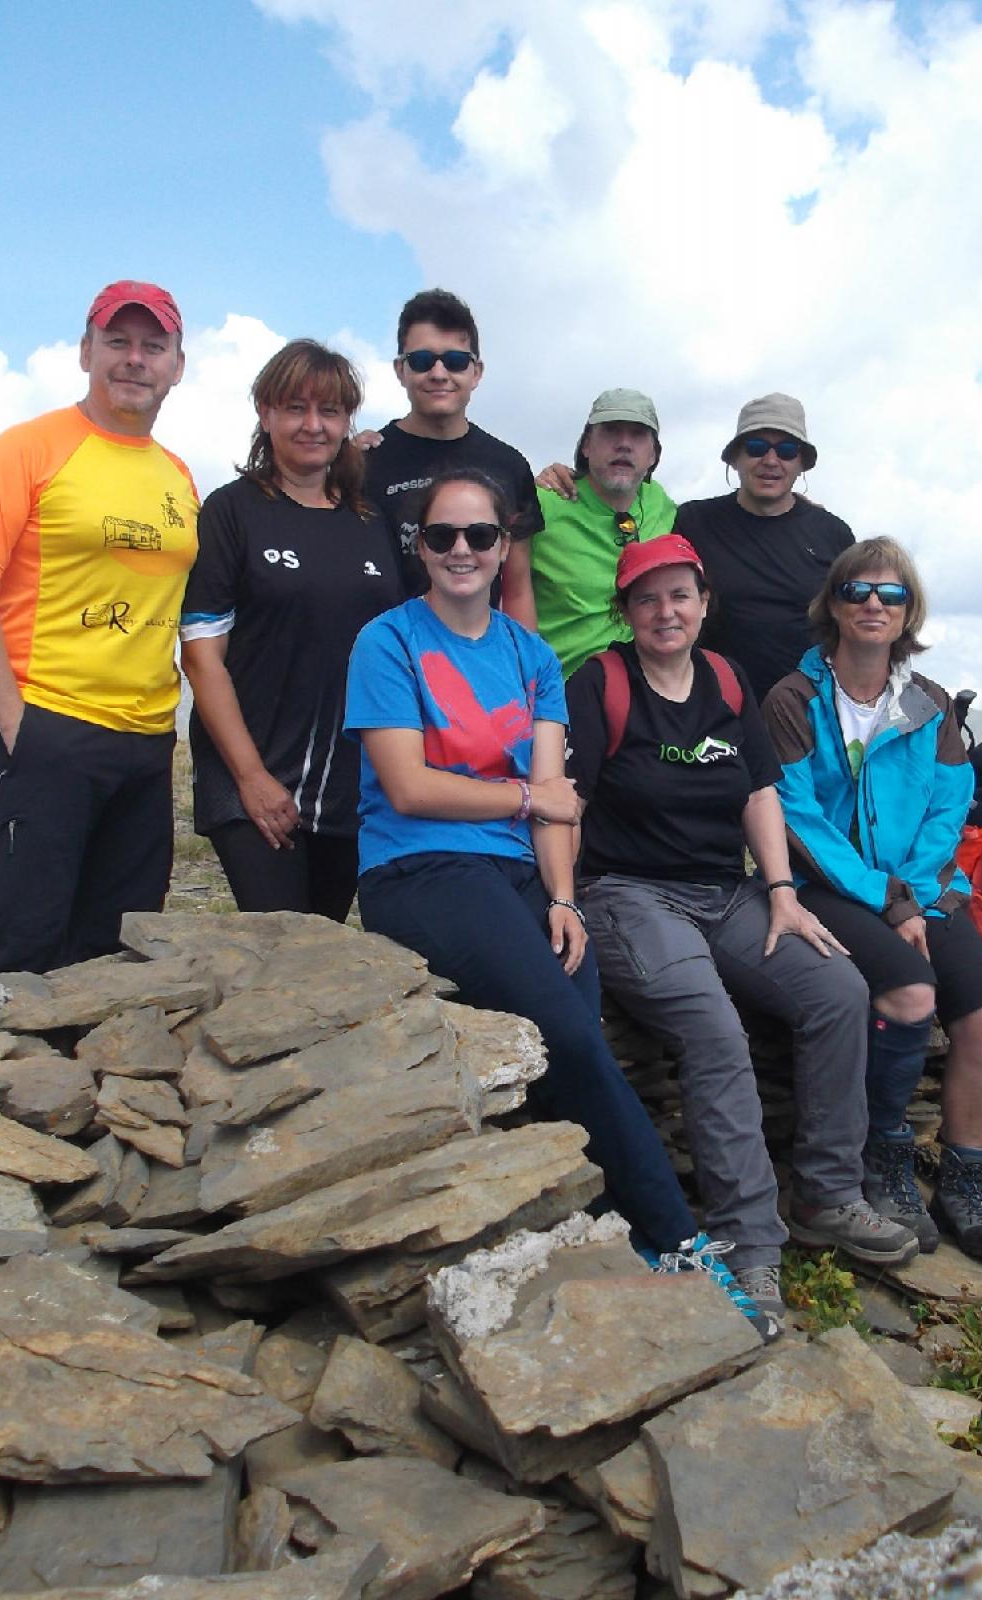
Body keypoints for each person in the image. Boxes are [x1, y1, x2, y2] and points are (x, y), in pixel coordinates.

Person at [344, 467, 768, 1333]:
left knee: (577, 1043)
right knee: (567, 1033)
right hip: (420, 869)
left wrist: (566, 898)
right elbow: (409, 785)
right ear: (419, 548)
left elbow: (553, 789)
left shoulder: (531, 655)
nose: (461, 550)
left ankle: (590, 1233)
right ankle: (678, 1239)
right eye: (441, 536)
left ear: (505, 548)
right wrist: (526, 803)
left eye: (479, 536)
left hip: (522, 874)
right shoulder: (385, 642)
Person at [566, 534, 917, 1329]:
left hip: (727, 891)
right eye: (647, 598)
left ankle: (828, 1195)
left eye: (680, 595)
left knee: (837, 991)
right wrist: (558, 898)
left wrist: (784, 893)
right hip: (628, 894)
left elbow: (759, 790)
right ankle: (750, 1246)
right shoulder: (599, 684)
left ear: (702, 603)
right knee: (714, 1031)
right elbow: (567, 797)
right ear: (625, 611)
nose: (666, 611)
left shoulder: (725, 680)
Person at [760, 538, 982, 1264]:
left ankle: (965, 1179)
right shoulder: (794, 699)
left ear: (908, 612)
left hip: (924, 888)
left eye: (891, 594)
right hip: (828, 887)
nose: (873, 604)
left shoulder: (927, 704)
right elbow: (796, 816)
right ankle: (886, 1156)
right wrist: (885, 897)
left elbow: (949, 805)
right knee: (908, 998)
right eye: (857, 590)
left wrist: (913, 892)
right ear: (833, 605)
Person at [0, 280, 198, 978]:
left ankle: (89, 1086)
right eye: (117, 342)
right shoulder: (25, 450)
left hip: (145, 740)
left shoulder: (177, 477)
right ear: (85, 351)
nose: (134, 360)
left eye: (153, 346)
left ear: (177, 363)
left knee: (114, 950)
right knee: (26, 942)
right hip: (47, 722)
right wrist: (16, 722)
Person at [180, 340, 402, 920]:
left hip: (348, 786)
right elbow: (203, 657)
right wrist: (250, 777)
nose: (313, 425)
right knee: (279, 942)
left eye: (329, 411)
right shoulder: (232, 511)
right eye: (295, 408)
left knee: (319, 950)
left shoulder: (370, 522)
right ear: (265, 412)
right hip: (252, 773)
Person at [360, 289, 543, 626]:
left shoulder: (510, 465)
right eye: (422, 361)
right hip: (387, 662)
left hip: (478, 663)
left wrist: (523, 671)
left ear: (476, 372)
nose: (439, 373)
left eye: (456, 361)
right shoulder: (363, 462)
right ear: (400, 370)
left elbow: (516, 590)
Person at [674, 394, 854, 702]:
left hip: (805, 711)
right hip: (711, 707)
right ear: (735, 458)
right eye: (756, 448)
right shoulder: (692, 521)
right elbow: (631, 505)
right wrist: (570, 478)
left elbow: (855, 623)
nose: (771, 461)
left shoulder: (833, 534)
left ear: (801, 463)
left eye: (786, 450)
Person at [530, 389, 677, 680]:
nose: (623, 444)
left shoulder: (662, 504)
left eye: (637, 434)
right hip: (563, 694)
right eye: (610, 431)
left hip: (649, 691)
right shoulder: (540, 504)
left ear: (653, 455)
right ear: (586, 445)